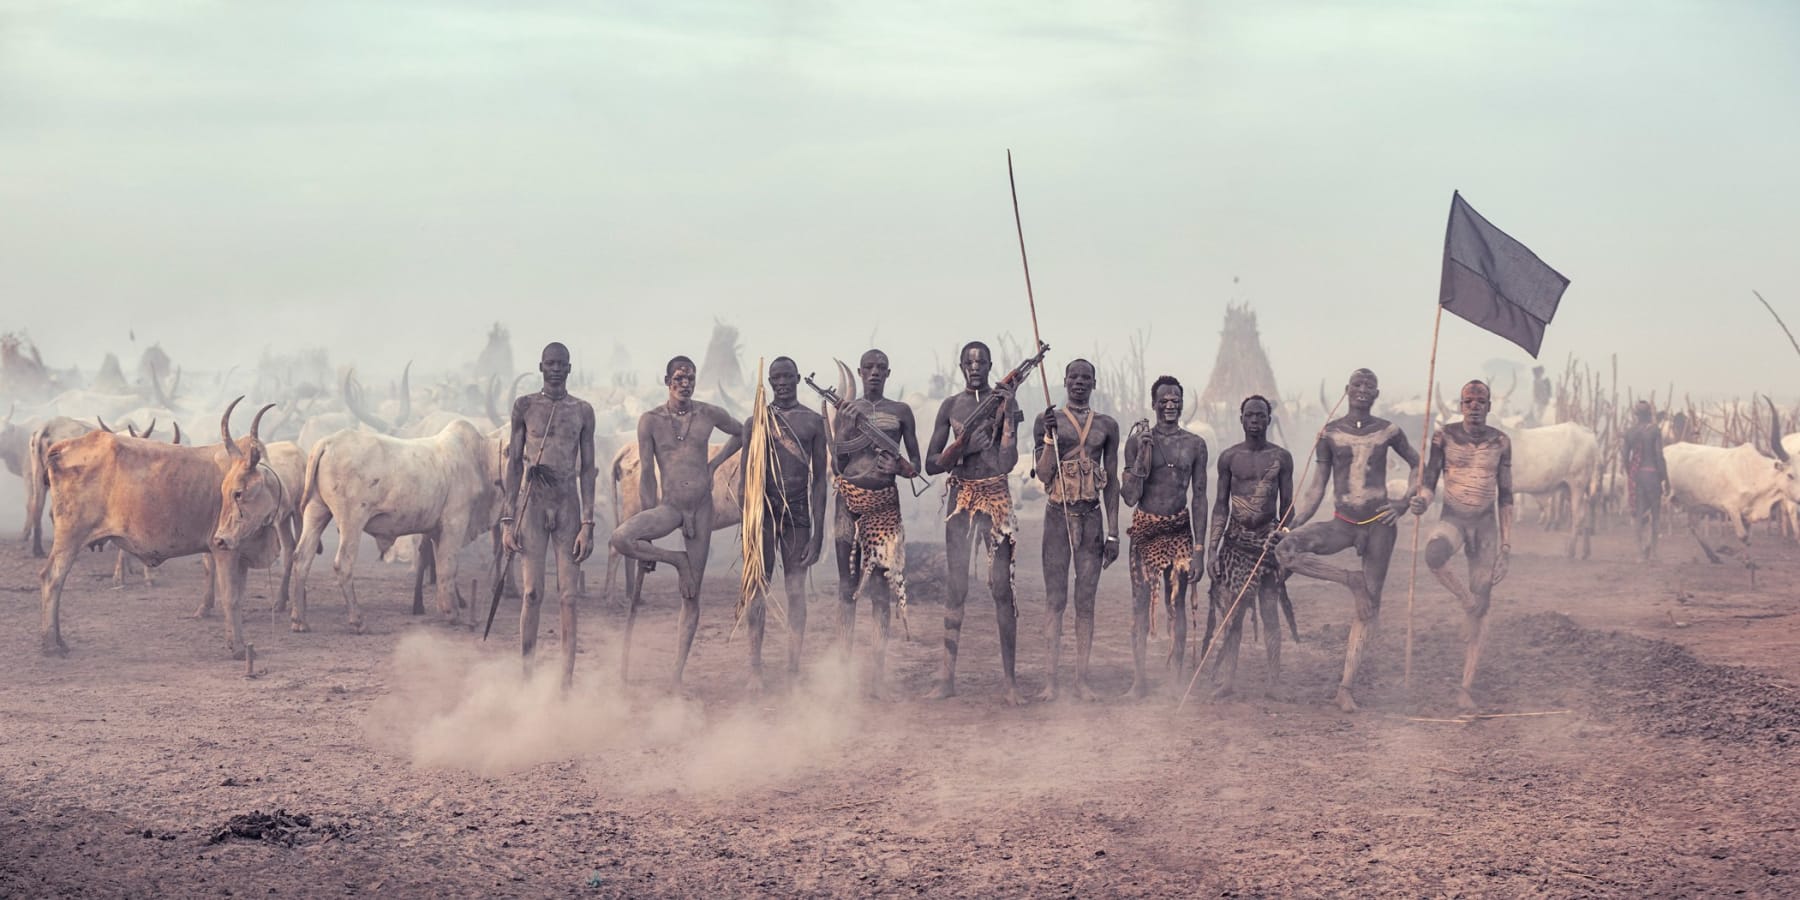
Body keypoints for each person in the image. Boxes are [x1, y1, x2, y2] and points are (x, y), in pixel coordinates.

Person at [1276, 368, 1420, 712]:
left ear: (1376, 394)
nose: (1363, 389)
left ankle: (1345, 687)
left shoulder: (1389, 431)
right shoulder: (1329, 433)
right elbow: (1316, 488)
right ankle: (1348, 579)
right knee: (1285, 549)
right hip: (1342, 523)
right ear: (1347, 390)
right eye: (1358, 384)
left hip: (1379, 525)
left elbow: (1418, 464)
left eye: (1370, 385)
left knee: (1370, 605)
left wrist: (1402, 503)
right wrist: (1290, 523)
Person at [608, 355, 743, 688]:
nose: (685, 384)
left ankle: (676, 674)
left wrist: (714, 466)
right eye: (679, 378)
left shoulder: (708, 414)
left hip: (701, 508)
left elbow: (743, 432)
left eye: (691, 378)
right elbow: (647, 479)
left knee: (691, 596)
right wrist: (649, 525)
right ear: (666, 380)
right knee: (622, 539)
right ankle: (676, 560)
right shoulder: (650, 421)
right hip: (669, 507)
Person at [923, 341, 1023, 704]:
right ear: (961, 366)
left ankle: (1010, 683)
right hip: (961, 500)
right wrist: (963, 449)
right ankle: (946, 679)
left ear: (991, 365)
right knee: (956, 588)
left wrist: (1009, 413)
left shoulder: (1005, 403)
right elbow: (931, 464)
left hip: (996, 499)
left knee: (1001, 589)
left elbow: (1008, 461)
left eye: (982, 361)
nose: (976, 367)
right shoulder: (951, 406)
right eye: (969, 361)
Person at [501, 342, 599, 689]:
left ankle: (566, 680)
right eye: (550, 364)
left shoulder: (583, 411)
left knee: (569, 596)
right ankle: (526, 676)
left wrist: (587, 523)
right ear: (541, 367)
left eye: (562, 364)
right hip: (533, 505)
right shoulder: (524, 407)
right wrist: (508, 520)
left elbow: (587, 469)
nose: (556, 369)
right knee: (531, 593)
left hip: (568, 505)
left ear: (570, 369)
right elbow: (513, 464)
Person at [728, 357, 828, 692]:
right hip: (763, 515)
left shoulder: (813, 423)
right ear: (768, 382)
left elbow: (819, 482)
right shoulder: (755, 422)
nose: (781, 383)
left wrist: (817, 533)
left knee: (795, 590)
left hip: (798, 514)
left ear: (798, 378)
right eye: (775, 378)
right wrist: (749, 523)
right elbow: (745, 481)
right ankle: (754, 667)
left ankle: (793, 667)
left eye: (787, 376)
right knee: (757, 587)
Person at [1412, 379, 1513, 711]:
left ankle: (1465, 686)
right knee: (1434, 554)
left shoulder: (1501, 442)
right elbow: (1429, 482)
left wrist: (1506, 547)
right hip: (1453, 517)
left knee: (1481, 607)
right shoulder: (1444, 437)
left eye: (1480, 401)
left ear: (1489, 406)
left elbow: (1506, 496)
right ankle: (1463, 597)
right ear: (1460, 405)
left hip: (1485, 527)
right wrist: (1422, 502)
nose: (1474, 406)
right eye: (1468, 401)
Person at [831, 349, 922, 698]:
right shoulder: (845, 411)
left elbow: (915, 464)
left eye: (880, 368)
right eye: (868, 368)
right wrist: (848, 423)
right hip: (847, 504)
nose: (873, 373)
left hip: (884, 507)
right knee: (846, 588)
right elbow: (839, 461)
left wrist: (897, 468)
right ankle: (841, 673)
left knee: (880, 591)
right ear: (859, 371)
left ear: (888, 373)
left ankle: (877, 677)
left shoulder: (900, 412)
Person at [1032, 359, 1121, 701]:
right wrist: (1049, 438)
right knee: (1056, 599)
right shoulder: (1047, 421)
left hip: (1092, 519)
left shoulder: (1107, 426)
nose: (1080, 383)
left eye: (1086, 378)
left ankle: (1081, 680)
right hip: (1057, 516)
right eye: (1074, 377)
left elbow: (1111, 481)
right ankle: (1050, 681)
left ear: (1094, 383)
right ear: (1064, 381)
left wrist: (1113, 532)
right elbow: (1042, 474)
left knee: (1086, 601)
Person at [1119, 375, 1208, 698]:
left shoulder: (1195, 445)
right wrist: (1143, 455)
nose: (1170, 405)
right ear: (1153, 404)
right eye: (1164, 400)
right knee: (1139, 605)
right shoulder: (1137, 441)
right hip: (1145, 529)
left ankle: (1175, 680)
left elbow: (1199, 496)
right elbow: (1129, 496)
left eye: (1175, 400)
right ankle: (1139, 679)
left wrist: (1199, 548)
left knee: (1177, 606)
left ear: (1182, 403)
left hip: (1180, 530)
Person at [1202, 395, 1293, 701]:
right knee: (1233, 614)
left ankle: (1275, 680)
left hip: (1266, 544)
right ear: (1241, 419)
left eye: (1261, 415)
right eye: (1250, 415)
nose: (1255, 420)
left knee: (1270, 610)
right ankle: (1228, 679)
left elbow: (1288, 507)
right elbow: (1219, 506)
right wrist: (1212, 549)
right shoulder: (1229, 458)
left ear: (1269, 420)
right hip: (1235, 544)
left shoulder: (1281, 457)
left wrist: (1281, 535)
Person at [1621, 400, 1668, 561]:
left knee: (1639, 514)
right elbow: (1659, 456)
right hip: (1653, 475)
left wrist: (1631, 475)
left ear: (1636, 415)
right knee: (1655, 514)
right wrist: (1665, 479)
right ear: (1649, 414)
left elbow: (1624, 458)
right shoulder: (1654, 430)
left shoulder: (1630, 432)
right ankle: (1654, 552)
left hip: (1638, 476)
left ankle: (1640, 553)